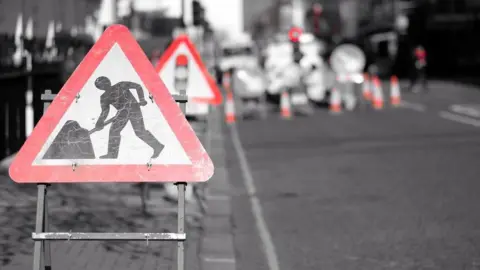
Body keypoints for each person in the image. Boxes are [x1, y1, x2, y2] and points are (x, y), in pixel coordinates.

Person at [94, 76, 164, 159]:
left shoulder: (121, 85)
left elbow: (137, 86)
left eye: (105, 82)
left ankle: (158, 146)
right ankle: (112, 154)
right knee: (114, 131)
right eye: (101, 85)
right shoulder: (104, 97)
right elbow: (105, 111)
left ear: (108, 81)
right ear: (99, 88)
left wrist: (141, 99)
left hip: (134, 108)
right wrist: (100, 121)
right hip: (122, 112)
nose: (104, 85)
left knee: (139, 131)